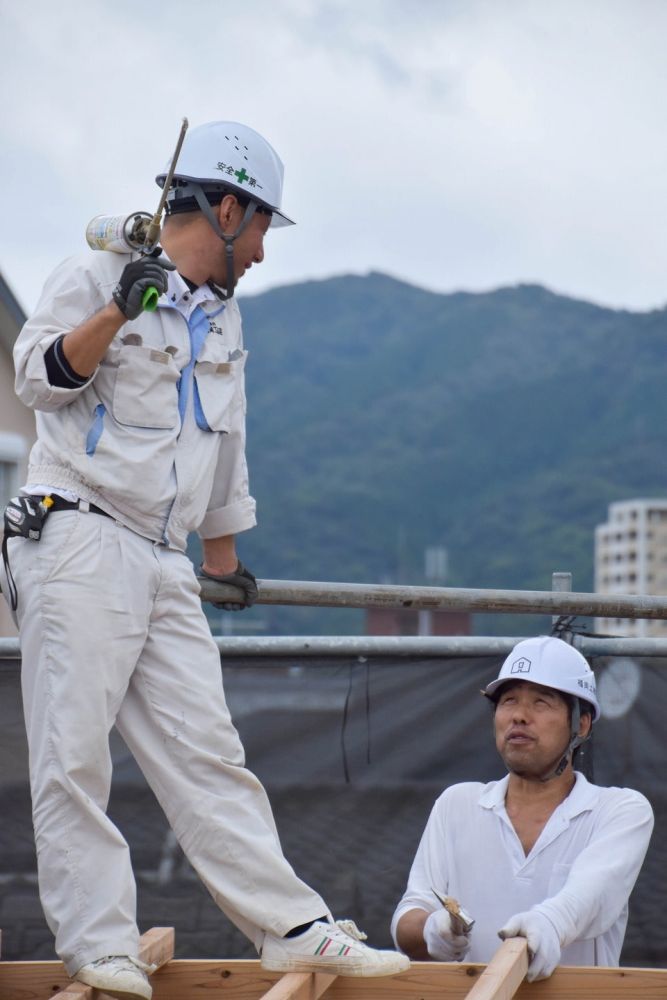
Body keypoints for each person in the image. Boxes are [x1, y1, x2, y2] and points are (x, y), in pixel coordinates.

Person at [4, 120, 409, 1000]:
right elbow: (37, 380)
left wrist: (222, 556)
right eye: (261, 228)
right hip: (78, 531)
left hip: (163, 556)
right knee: (74, 753)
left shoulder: (223, 313)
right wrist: (121, 307)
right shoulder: (95, 274)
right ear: (228, 209)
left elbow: (225, 444)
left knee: (208, 751)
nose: (262, 252)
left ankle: (290, 928)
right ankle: (98, 944)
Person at [391, 635, 654, 982]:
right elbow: (409, 914)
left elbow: (591, 893)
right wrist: (430, 930)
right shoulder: (457, 805)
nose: (519, 716)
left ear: (582, 724)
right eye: (509, 700)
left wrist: (551, 921)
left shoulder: (619, 812)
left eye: (541, 703)